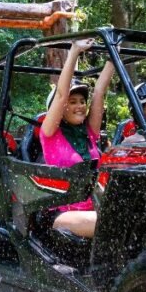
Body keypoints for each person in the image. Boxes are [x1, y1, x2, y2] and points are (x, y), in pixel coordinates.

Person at [39, 38, 115, 238]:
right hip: (62, 213)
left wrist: (114, 55)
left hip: (94, 207)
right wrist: (74, 51)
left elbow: (99, 92)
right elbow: (61, 95)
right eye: (73, 102)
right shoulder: (49, 134)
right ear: (59, 110)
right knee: (112, 222)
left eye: (82, 101)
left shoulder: (88, 132)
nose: (80, 106)